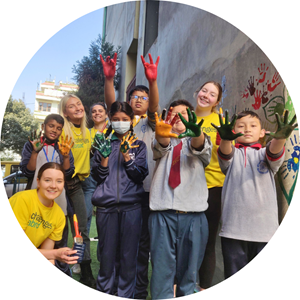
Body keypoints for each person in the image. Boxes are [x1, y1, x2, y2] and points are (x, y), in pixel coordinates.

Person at [100, 52, 160, 298]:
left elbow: (155, 107)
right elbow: (111, 106)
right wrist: (109, 80)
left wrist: (152, 82)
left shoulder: (151, 123)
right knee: (113, 248)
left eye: (143, 97)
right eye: (134, 95)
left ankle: (137, 290)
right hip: (119, 196)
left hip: (145, 192)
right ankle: (112, 289)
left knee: (138, 248)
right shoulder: (118, 123)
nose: (138, 99)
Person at [212, 109, 297, 278]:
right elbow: (225, 152)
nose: (248, 129)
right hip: (233, 231)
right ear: (234, 131)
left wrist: (280, 138)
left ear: (262, 133)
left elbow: (274, 152)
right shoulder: (232, 155)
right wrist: (226, 139)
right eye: (241, 126)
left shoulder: (264, 154)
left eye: (253, 125)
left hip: (264, 232)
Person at [149, 100, 212, 299]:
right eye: (174, 114)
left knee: (190, 274)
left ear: (192, 118)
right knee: (161, 272)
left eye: (184, 114)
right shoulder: (161, 141)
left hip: (193, 216)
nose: (179, 118)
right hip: (162, 215)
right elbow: (161, 145)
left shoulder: (200, 140)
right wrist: (161, 135)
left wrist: (196, 133)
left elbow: (199, 146)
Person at [91, 101, 148, 298]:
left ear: (131, 121)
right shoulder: (101, 144)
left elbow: (140, 175)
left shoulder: (139, 145)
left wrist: (127, 156)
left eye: (124, 119)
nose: (120, 123)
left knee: (128, 258)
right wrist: (105, 158)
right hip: (106, 208)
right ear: (110, 120)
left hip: (131, 208)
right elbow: (97, 177)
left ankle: (126, 294)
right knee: (106, 258)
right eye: (115, 120)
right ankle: (105, 291)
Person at [20, 113, 75, 276]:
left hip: (59, 200)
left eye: (59, 128)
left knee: (59, 241)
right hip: (35, 198)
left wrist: (65, 156)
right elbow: (27, 171)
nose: (55, 131)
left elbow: (69, 173)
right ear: (43, 127)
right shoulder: (32, 144)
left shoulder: (63, 145)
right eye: (51, 126)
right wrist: (35, 152)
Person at [58, 94, 96, 288]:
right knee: (59, 230)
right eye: (72, 107)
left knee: (82, 229)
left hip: (78, 184)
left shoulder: (89, 133)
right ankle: (60, 268)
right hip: (60, 185)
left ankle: (86, 272)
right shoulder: (62, 132)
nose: (78, 108)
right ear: (65, 112)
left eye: (79, 104)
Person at [10, 162, 79, 265]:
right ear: (38, 182)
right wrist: (55, 254)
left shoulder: (59, 216)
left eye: (59, 181)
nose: (53, 186)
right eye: (47, 180)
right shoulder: (22, 200)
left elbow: (47, 254)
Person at [193, 81, 225, 290]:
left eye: (212, 94)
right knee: (186, 240)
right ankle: (182, 285)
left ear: (217, 101)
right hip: (187, 187)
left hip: (214, 186)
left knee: (207, 241)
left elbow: (225, 152)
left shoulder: (220, 121)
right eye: (204, 90)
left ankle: (204, 288)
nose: (206, 95)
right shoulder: (185, 116)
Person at [82, 102, 108, 235]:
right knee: (85, 216)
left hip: (107, 177)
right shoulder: (86, 133)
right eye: (94, 111)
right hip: (90, 178)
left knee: (106, 219)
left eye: (100, 111)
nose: (97, 113)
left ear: (106, 114)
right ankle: (84, 254)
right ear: (91, 116)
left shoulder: (112, 132)